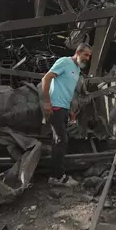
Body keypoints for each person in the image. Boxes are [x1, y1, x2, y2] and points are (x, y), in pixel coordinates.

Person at [42, 43, 92, 187]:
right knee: (62, 140)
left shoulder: (76, 70)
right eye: (86, 55)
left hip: (64, 108)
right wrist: (47, 102)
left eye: (89, 56)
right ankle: (59, 177)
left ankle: (54, 175)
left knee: (57, 141)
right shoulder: (64, 62)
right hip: (55, 107)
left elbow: (68, 90)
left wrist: (70, 111)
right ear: (78, 52)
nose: (87, 58)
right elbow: (46, 78)